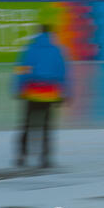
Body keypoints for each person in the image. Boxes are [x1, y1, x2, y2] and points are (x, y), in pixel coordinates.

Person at [13, 24, 70, 168]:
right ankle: (45, 158)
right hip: (50, 94)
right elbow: (62, 74)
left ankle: (21, 156)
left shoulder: (30, 49)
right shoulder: (57, 50)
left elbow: (22, 70)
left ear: (38, 33)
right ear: (50, 34)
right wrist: (65, 93)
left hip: (32, 92)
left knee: (26, 125)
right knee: (46, 127)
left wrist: (18, 88)